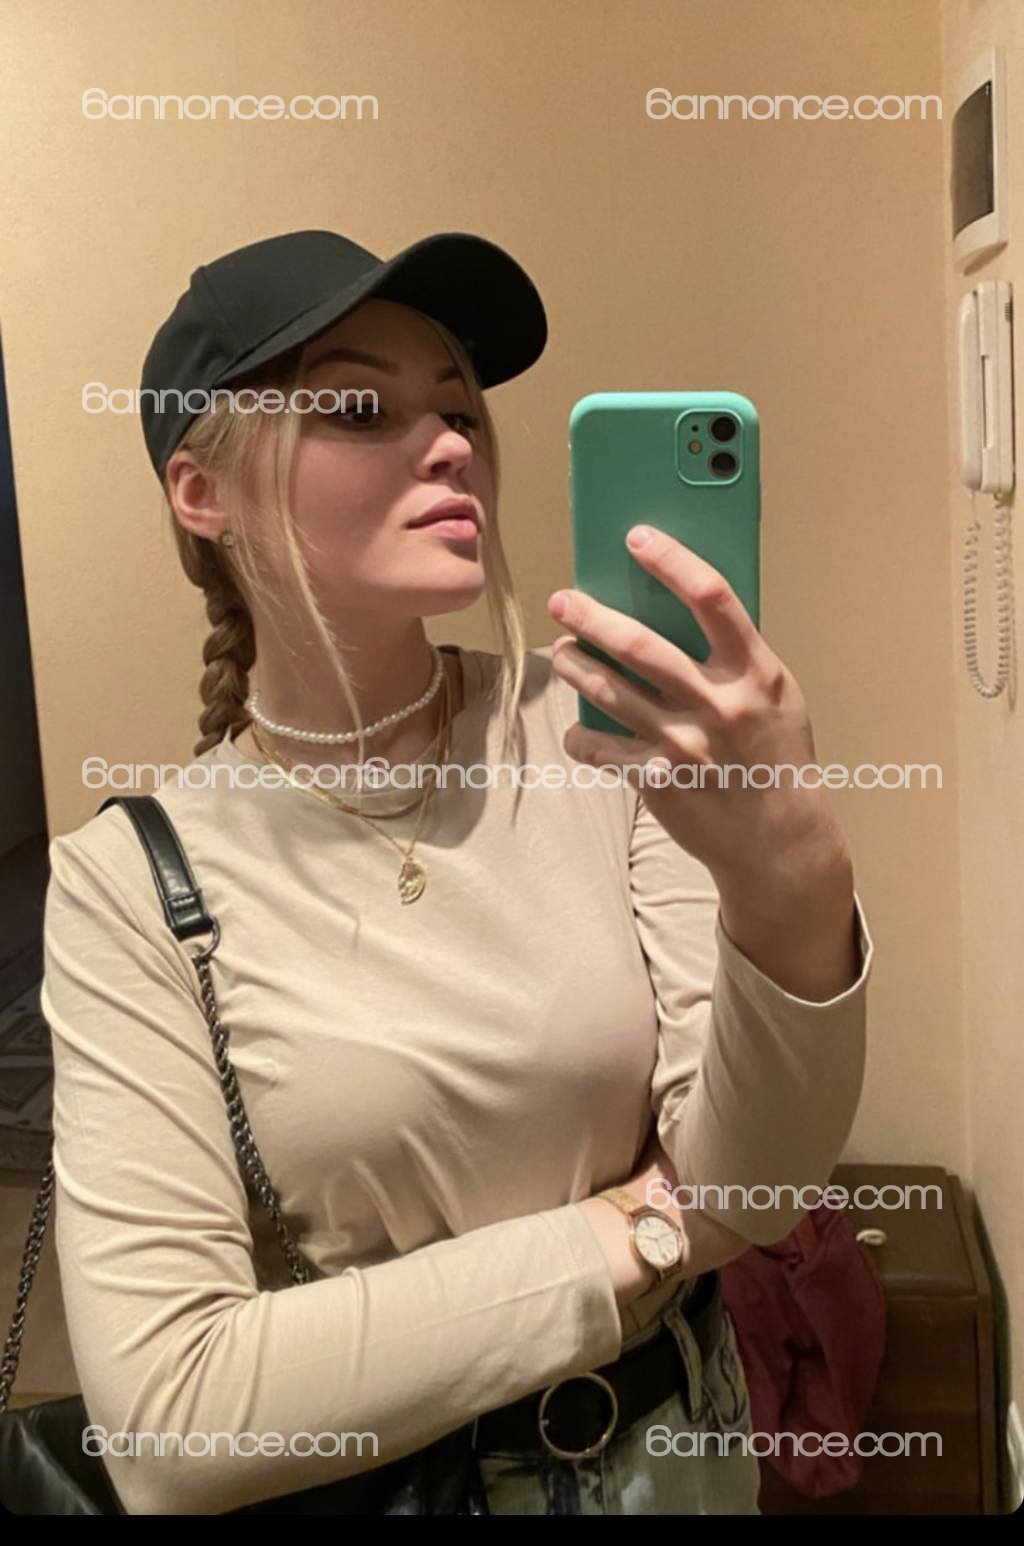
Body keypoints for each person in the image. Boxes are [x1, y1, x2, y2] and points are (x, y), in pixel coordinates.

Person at [41, 228, 873, 1515]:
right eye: (359, 409)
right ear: (201, 492)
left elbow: (757, 1187)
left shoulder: (602, 738)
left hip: (679, 1466)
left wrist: (792, 882)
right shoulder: (126, 883)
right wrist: (639, 1228)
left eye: (460, 410)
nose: (448, 447)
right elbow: (174, 1421)